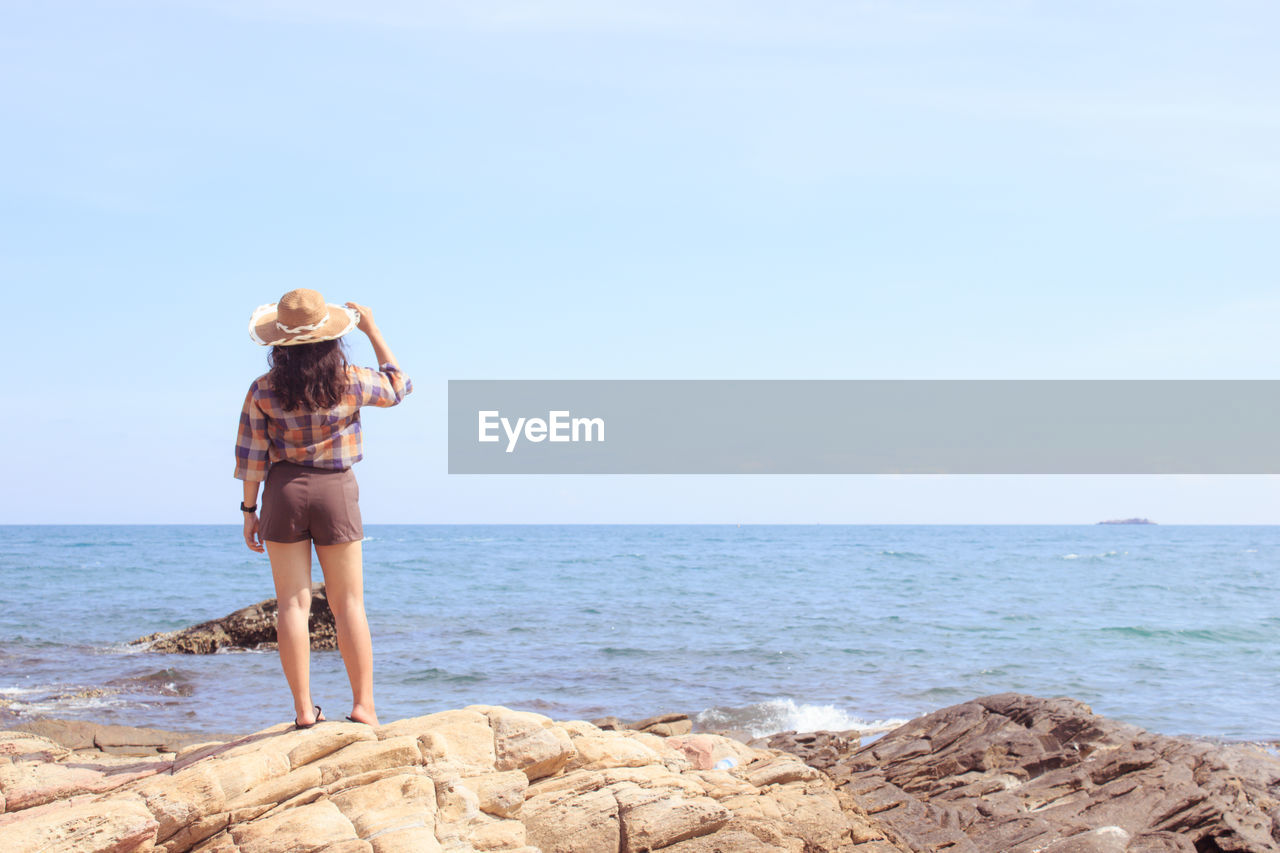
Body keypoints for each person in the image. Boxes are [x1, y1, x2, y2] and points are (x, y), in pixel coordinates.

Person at [233, 288, 412, 729]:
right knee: (348, 603)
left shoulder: (263, 389)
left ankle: (302, 711)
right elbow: (399, 386)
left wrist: (248, 510)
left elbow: (252, 455)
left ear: (279, 343)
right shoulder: (349, 380)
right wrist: (373, 330)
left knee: (292, 605)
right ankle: (364, 706)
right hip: (336, 490)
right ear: (332, 339)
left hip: (283, 489)